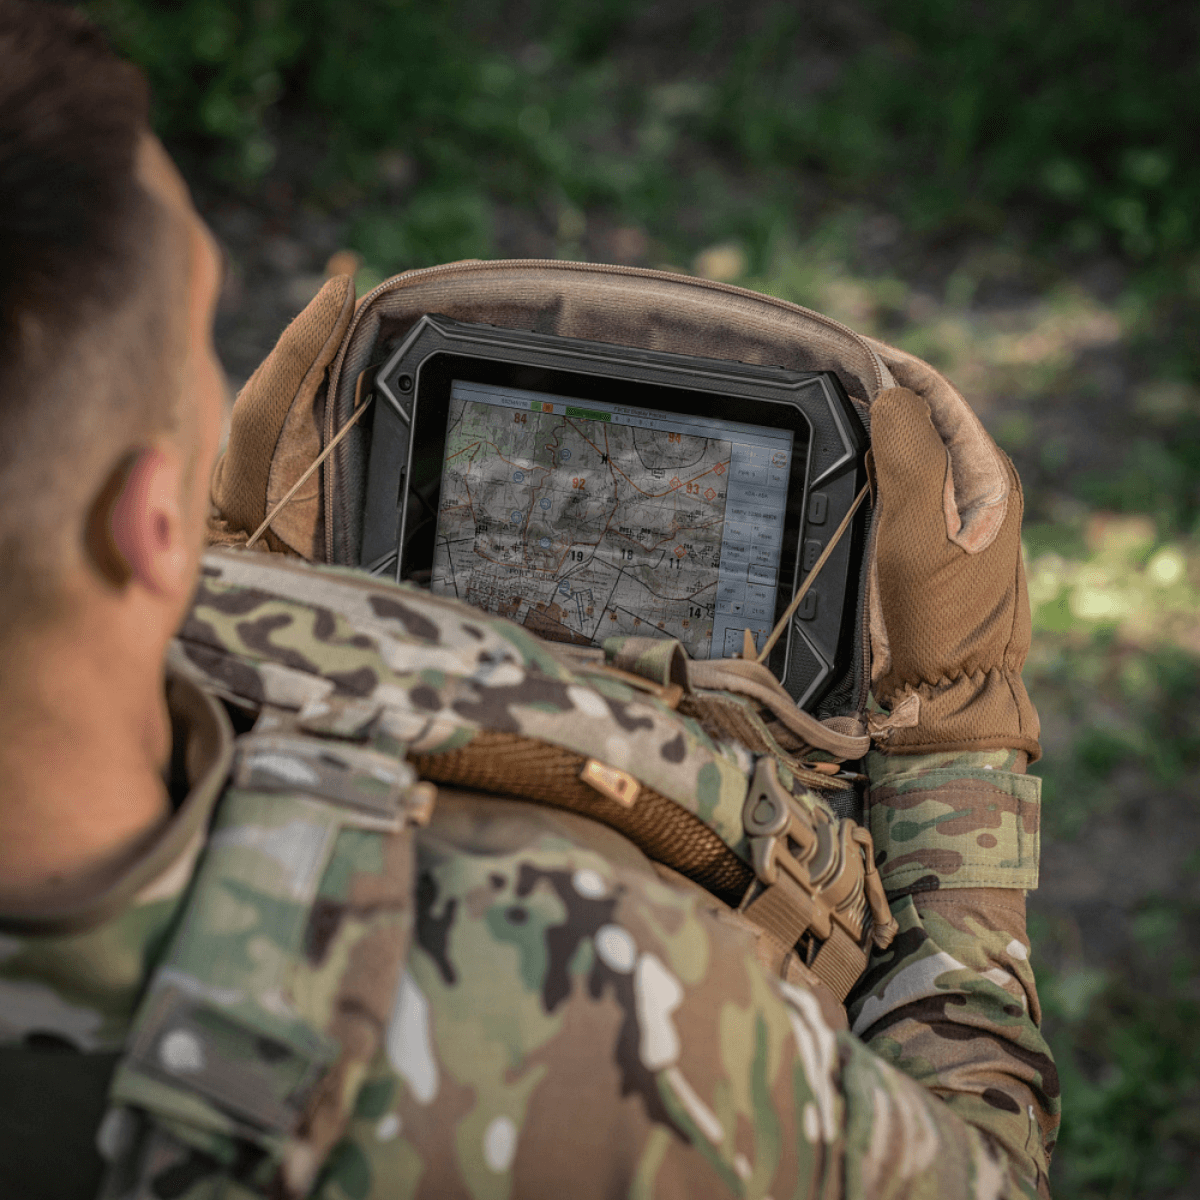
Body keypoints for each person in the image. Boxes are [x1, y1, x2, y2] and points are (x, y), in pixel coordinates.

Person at [0, 4, 1058, 1198]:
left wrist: (224, 588)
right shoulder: (619, 1018)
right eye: (195, 325)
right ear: (150, 524)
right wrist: (952, 727)